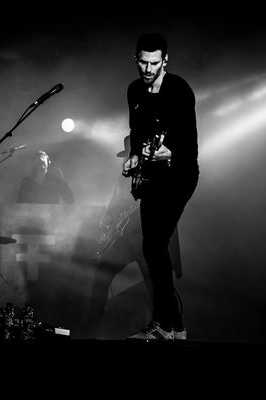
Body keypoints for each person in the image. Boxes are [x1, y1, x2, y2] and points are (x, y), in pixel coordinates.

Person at [122, 33, 199, 340]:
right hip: (152, 176)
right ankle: (172, 327)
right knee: (151, 248)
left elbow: (191, 146)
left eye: (154, 63)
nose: (148, 69)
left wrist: (171, 153)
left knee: (154, 246)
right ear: (136, 60)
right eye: (143, 62)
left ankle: (169, 326)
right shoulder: (134, 90)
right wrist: (133, 158)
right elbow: (136, 132)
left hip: (179, 175)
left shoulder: (179, 89)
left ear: (165, 60)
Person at [81, 135, 182, 338]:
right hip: (127, 238)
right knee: (103, 273)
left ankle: (172, 328)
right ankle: (91, 328)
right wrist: (107, 222)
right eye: (126, 154)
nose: (127, 158)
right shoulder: (124, 175)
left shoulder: (156, 169)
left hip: (150, 235)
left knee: (158, 284)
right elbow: (115, 203)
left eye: (129, 153)